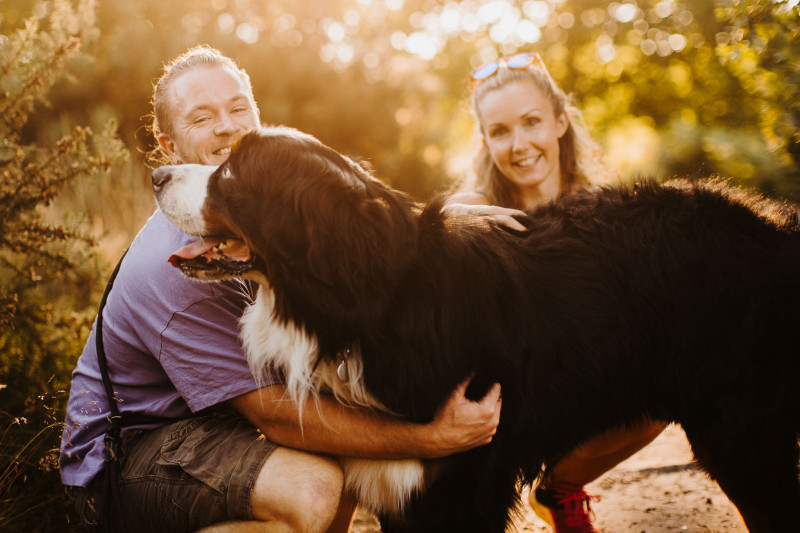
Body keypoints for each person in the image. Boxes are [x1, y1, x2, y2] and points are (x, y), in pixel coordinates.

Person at [59, 45, 502, 533]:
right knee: (310, 489)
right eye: (202, 118)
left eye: (237, 108)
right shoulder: (177, 269)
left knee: (339, 437)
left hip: (212, 428)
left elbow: (359, 226)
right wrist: (433, 440)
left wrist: (467, 222)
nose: (227, 126)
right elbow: (282, 417)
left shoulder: (261, 211)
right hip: (129, 461)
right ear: (170, 146)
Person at [444, 52, 667, 533]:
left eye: (531, 123)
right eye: (500, 131)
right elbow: (432, 220)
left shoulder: (601, 210)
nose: (519, 144)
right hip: (504, 400)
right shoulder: (480, 209)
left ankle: (560, 487)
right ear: (485, 140)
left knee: (666, 388)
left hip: (578, 388)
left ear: (560, 122)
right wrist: (452, 219)